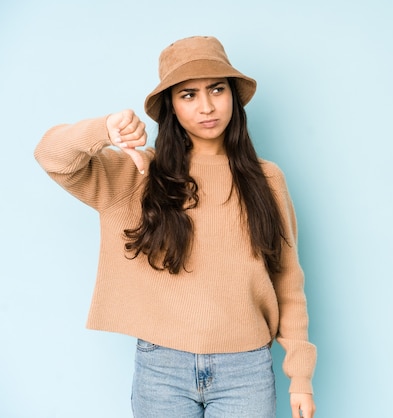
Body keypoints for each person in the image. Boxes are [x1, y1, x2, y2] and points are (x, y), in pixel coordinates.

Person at [34, 35, 316, 418]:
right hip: (161, 369)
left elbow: (287, 280)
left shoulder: (268, 179)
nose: (206, 106)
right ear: (170, 106)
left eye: (216, 89)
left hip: (245, 370)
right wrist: (104, 129)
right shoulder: (139, 174)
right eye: (188, 95)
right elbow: (50, 156)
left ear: (233, 95)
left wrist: (300, 376)